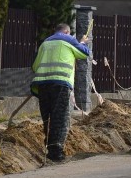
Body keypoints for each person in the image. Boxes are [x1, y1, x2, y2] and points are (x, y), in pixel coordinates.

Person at [31, 23, 90, 161]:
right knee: (60, 117)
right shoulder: (68, 39)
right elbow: (84, 53)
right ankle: (56, 151)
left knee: (47, 116)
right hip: (60, 84)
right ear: (67, 32)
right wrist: (82, 42)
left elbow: (35, 66)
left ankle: (49, 145)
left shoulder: (45, 42)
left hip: (42, 84)